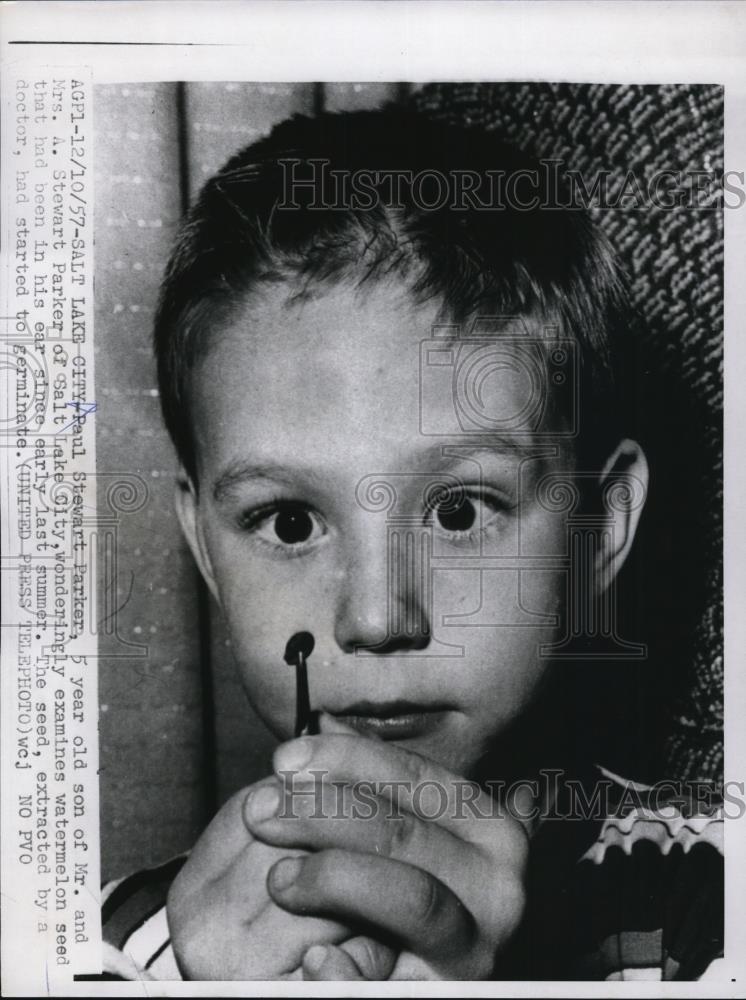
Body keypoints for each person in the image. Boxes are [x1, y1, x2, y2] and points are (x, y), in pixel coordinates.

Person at [96, 108, 723, 981]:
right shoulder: (95, 949)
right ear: (204, 545)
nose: (378, 617)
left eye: (461, 512)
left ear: (600, 526)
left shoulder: (712, 914)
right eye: (288, 522)